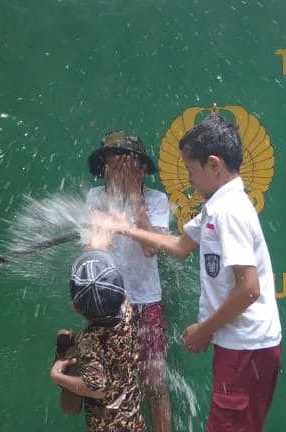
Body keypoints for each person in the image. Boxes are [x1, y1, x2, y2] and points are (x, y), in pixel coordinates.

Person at [95, 113, 282, 432]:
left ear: (213, 165)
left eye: (190, 169)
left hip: (246, 349)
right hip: (238, 346)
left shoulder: (229, 211)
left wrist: (205, 329)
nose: (188, 178)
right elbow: (181, 245)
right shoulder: (215, 206)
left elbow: (249, 289)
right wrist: (126, 229)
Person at [86, 130, 172, 432]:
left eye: (126, 163)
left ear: (141, 168)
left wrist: (134, 197)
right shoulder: (95, 198)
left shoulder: (157, 200)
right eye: (112, 164)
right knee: (112, 384)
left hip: (147, 302)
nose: (118, 170)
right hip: (109, 308)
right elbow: (97, 249)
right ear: (103, 168)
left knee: (155, 384)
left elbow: (151, 247)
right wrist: (114, 199)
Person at [49, 225, 145, 432]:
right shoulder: (127, 311)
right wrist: (101, 247)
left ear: (75, 307)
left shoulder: (88, 341)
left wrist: (58, 377)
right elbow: (108, 286)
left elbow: (97, 389)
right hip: (133, 420)